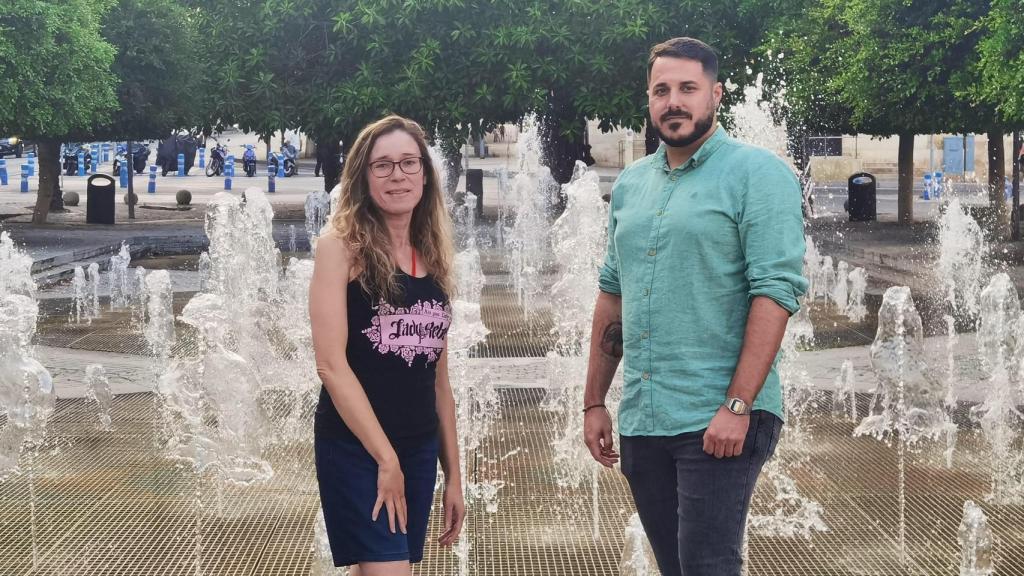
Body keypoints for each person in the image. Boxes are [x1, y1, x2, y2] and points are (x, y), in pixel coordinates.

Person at [582, 37, 808, 576]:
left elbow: (775, 293)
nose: (674, 102)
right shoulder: (631, 184)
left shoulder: (758, 174)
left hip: (720, 414)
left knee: (708, 566)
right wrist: (594, 402)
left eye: (688, 88)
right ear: (649, 99)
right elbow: (613, 294)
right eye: (661, 91)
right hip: (645, 416)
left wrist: (738, 406)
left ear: (716, 94)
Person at [309, 115, 465, 576]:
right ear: (364, 177)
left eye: (408, 163)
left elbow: (439, 382)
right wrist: (385, 457)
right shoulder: (341, 249)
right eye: (383, 165)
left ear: (425, 174)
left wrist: (455, 477)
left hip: (417, 448)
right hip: (357, 446)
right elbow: (330, 365)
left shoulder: (433, 258)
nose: (398, 175)